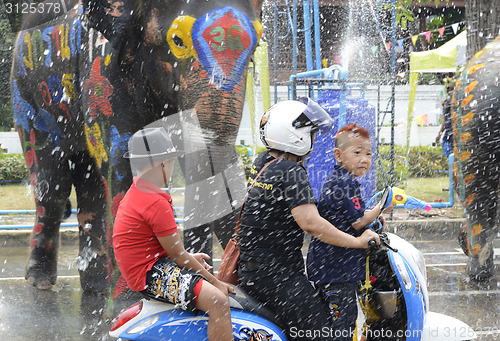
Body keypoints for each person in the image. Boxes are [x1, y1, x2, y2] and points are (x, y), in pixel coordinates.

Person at [238, 98, 380, 341]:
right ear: (296, 136)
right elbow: (312, 224)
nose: (314, 141)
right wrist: (357, 242)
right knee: (319, 333)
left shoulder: (264, 163)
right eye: (311, 134)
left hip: (255, 271)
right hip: (278, 275)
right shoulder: (291, 171)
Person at [113, 127, 235, 341]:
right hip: (150, 275)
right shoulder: (155, 201)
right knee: (219, 301)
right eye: (170, 163)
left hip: (146, 270)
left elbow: (164, 249)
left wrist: (185, 259)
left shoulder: (138, 191)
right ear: (162, 164)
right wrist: (217, 283)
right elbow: (179, 255)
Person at [306, 123, 395, 340]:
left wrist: (374, 219)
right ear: (338, 155)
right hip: (337, 267)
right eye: (357, 153)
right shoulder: (346, 183)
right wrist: (381, 208)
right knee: (343, 321)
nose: (364, 159)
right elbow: (357, 222)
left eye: (368, 153)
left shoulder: (340, 180)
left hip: (328, 265)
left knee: (334, 318)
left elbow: (348, 216)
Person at [436, 80, 456, 157]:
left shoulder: (461, 103)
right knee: (448, 159)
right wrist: (439, 134)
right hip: (448, 136)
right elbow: (445, 120)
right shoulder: (447, 103)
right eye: (449, 89)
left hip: (457, 137)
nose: (450, 91)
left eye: (452, 89)